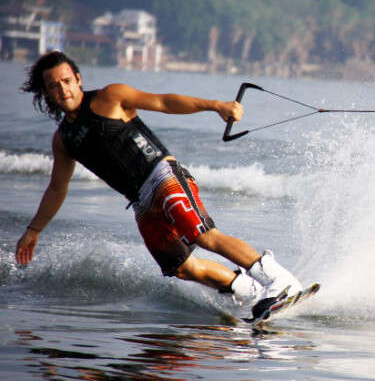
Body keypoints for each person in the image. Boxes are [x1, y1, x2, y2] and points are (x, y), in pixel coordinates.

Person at [15, 51, 302, 315]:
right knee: (183, 268)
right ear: (46, 93)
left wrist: (215, 106)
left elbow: (164, 103)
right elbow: (57, 187)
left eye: (67, 81)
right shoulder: (63, 140)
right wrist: (33, 230)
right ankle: (253, 293)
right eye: (54, 86)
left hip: (162, 175)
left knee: (203, 235)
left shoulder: (110, 97)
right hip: (141, 202)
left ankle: (278, 279)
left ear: (78, 79)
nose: (63, 89)